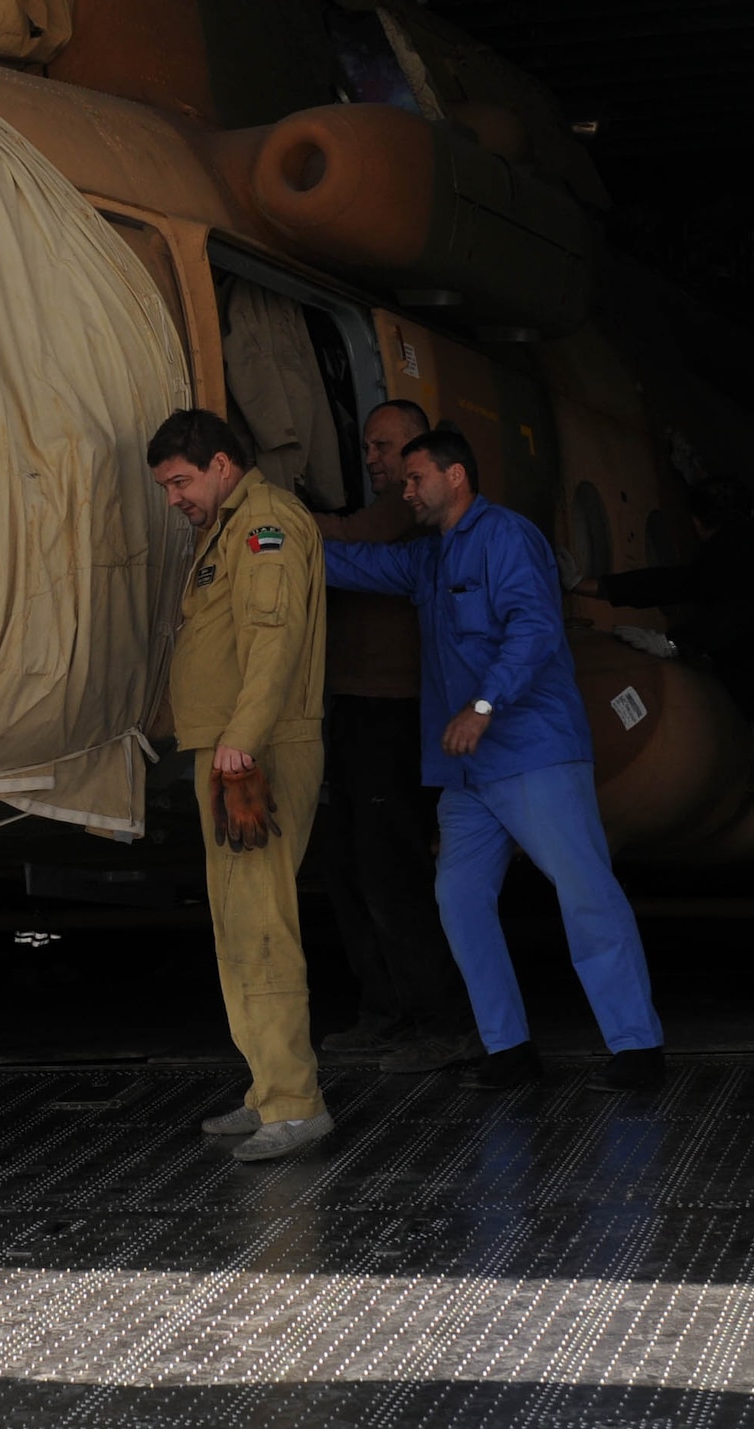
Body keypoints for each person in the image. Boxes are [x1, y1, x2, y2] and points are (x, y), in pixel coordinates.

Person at [323, 429, 665, 1092]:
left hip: (531, 751)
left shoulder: (508, 538)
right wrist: (268, 538)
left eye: (415, 477)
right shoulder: (429, 558)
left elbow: (534, 628)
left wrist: (483, 704)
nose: (405, 489)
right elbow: (355, 563)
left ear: (456, 477)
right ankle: (508, 1047)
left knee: (586, 894)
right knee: (458, 897)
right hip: (469, 772)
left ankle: (637, 1045)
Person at [149, 408, 333, 1162]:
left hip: (255, 752)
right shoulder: (228, 530)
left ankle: (295, 1102)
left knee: (261, 924)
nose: (174, 498)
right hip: (228, 749)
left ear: (223, 464)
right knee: (237, 926)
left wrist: (239, 743)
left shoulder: (264, 528)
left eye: (181, 481)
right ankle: (267, 1090)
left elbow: (273, 641)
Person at [313, 400, 480, 1072]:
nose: (378, 462)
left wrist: (263, 521)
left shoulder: (400, 516)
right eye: (372, 449)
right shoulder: (392, 528)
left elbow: (347, 541)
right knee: (350, 863)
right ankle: (387, 1009)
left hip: (395, 711)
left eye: (388, 447)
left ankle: (438, 1017)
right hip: (355, 707)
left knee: (391, 869)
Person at [561, 475, 754, 718]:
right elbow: (671, 584)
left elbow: (735, 614)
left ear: (698, 522)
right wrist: (589, 585)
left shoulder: (735, 555)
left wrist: (674, 644)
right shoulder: (730, 556)